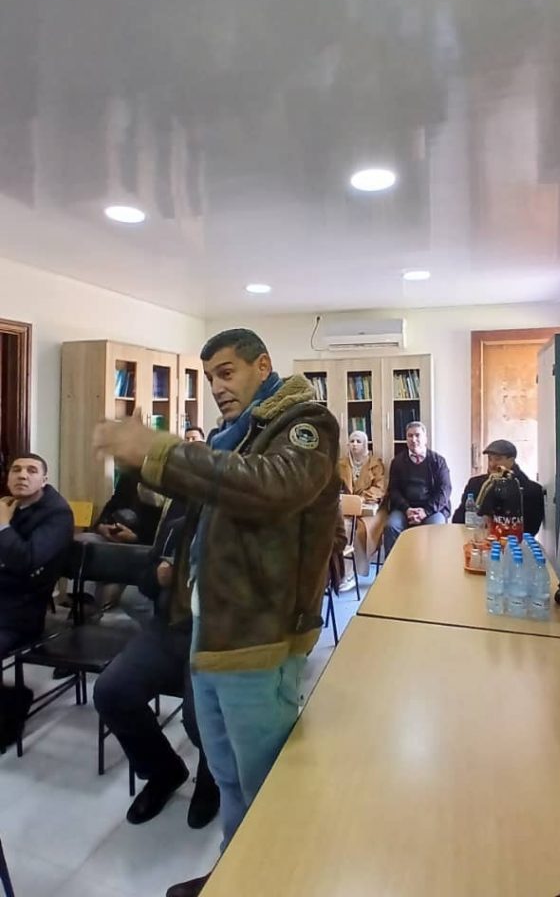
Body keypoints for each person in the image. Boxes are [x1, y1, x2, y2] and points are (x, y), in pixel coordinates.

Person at [93, 328, 340, 897]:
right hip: (211, 625)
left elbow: (270, 487)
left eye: (227, 373)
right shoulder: (239, 433)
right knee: (227, 773)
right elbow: (203, 508)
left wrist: (158, 449)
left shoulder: (306, 425)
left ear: (263, 365)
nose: (218, 388)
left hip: (260, 633)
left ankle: (276, 880)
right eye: (209, 379)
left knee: (264, 782)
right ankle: (236, 874)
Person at [93, 498, 220, 829]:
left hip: (215, 639)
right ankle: (164, 770)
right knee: (111, 691)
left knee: (199, 717)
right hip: (168, 629)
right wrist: (158, 577)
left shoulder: (241, 533)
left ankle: (212, 775)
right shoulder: (176, 528)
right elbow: (145, 582)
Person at [0, 454, 74, 658]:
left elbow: (27, 561)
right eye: (16, 470)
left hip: (19, 613)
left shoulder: (57, 514)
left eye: (32, 471)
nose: (22, 475)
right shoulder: (8, 506)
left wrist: (3, 526)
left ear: (44, 480)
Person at [383, 422, 451, 557]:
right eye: (410, 436)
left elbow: (445, 490)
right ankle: (393, 566)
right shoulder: (397, 462)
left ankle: (433, 565)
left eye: (417, 435)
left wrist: (426, 511)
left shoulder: (438, 461)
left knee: (436, 528)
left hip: (432, 510)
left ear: (425, 438)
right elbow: (393, 490)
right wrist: (407, 509)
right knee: (391, 527)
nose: (413, 439)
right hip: (404, 510)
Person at [452, 439, 544, 536]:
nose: (492, 464)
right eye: (490, 459)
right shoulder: (475, 484)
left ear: (511, 460)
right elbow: (458, 519)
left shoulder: (532, 490)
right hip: (477, 539)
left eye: (498, 459)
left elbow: (531, 529)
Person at [338, 430, 386, 579]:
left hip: (370, 508)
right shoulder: (341, 464)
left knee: (360, 530)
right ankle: (342, 571)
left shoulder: (375, 463)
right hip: (346, 507)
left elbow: (380, 488)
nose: (354, 444)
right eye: (352, 441)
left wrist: (362, 498)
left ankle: (355, 572)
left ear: (365, 444)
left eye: (358, 441)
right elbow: (334, 486)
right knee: (341, 526)